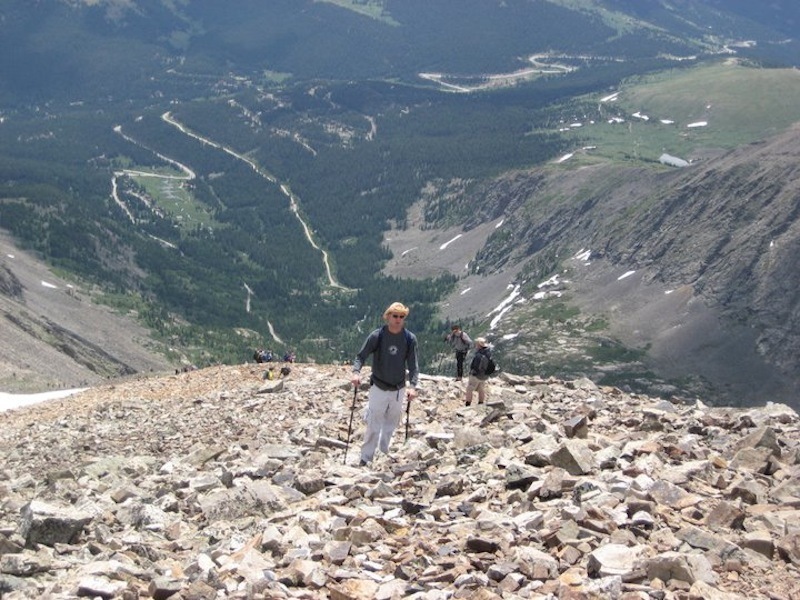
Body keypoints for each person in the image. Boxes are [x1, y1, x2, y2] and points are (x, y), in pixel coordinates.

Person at [350, 301, 419, 467]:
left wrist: (413, 386)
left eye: (402, 316)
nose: (398, 319)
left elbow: (413, 364)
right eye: (395, 316)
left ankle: (383, 451)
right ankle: (366, 457)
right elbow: (361, 356)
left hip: (398, 388)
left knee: (392, 422)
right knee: (374, 421)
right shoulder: (377, 336)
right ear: (388, 316)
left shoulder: (409, 339)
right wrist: (355, 373)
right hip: (379, 386)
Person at [465, 337, 492, 406]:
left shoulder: (479, 355)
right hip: (485, 375)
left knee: (469, 389)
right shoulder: (488, 353)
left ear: (479, 345)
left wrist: (472, 373)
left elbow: (475, 366)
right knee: (481, 389)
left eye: (476, 344)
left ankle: (468, 404)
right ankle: (481, 403)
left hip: (476, 375)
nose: (475, 345)